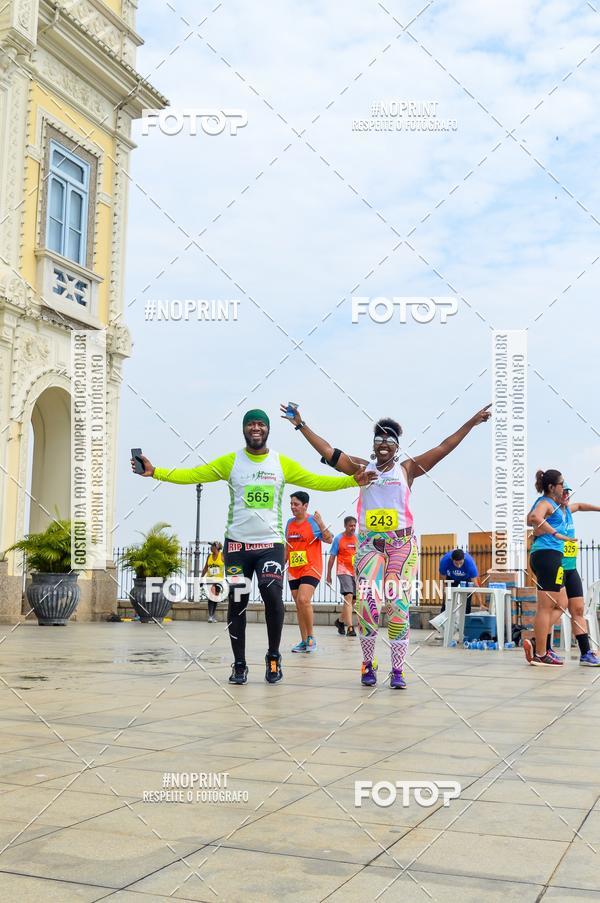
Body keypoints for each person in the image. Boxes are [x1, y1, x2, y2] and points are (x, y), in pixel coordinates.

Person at [131, 409, 362, 686]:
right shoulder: (232, 462)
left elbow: (317, 481)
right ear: (244, 430)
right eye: (251, 424)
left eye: (260, 424)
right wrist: (155, 472)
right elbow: (193, 474)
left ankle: (273, 656)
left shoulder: (280, 463)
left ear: (267, 430)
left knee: (273, 597)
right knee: (237, 603)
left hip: (270, 546)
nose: (256, 428)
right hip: (238, 546)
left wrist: (351, 480)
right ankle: (239, 664)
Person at [281, 401, 492, 689]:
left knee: (397, 606)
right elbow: (329, 452)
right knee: (367, 606)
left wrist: (472, 421)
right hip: (369, 546)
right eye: (378, 439)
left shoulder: (407, 470)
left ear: (397, 446)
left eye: (389, 440)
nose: (383, 444)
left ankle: (397, 670)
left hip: (401, 546)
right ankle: (368, 663)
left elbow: (444, 447)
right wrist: (301, 425)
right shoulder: (361, 467)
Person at [525, 469, 571, 666]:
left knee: (562, 603)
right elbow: (533, 518)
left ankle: (538, 640)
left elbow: (531, 519)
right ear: (552, 487)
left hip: (551, 557)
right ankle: (541, 654)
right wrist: (555, 534)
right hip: (547, 555)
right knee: (545, 607)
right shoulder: (545, 502)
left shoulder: (554, 504)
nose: (564, 486)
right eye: (562, 483)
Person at [285, 491, 332, 653]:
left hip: (311, 567)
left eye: (296, 504)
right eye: (291, 504)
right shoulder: (289, 523)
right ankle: (304, 641)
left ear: (305, 506)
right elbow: (287, 547)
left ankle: (311, 637)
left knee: (304, 599)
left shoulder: (313, 521)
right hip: (294, 569)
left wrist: (321, 524)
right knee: (299, 604)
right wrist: (279, 566)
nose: (293, 507)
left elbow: (329, 539)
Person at [560, 482, 600, 666]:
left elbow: (582, 506)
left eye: (569, 492)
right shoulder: (550, 513)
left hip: (571, 569)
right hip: (556, 569)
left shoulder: (569, 510)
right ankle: (539, 646)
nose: (567, 495)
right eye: (564, 492)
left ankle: (585, 653)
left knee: (577, 609)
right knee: (555, 609)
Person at [327, 516, 358, 637]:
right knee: (348, 596)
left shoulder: (357, 539)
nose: (353, 528)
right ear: (345, 526)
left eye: (354, 525)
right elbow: (331, 557)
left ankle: (340, 622)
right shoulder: (338, 539)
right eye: (350, 525)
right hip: (343, 570)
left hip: (355, 572)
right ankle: (350, 628)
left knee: (353, 600)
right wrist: (328, 574)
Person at [439, 548, 479, 615]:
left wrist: (481, 604)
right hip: (451, 577)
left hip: (466, 578)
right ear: (452, 560)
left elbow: (476, 585)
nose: (459, 565)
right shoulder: (445, 561)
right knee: (448, 598)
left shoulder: (470, 563)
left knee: (467, 598)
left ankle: (466, 617)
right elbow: (444, 582)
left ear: (464, 559)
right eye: (456, 563)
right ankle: (444, 615)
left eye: (461, 563)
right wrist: (446, 594)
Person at [201, 541, 224, 622]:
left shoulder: (222, 555)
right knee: (211, 597)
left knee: (215, 598)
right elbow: (205, 568)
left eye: (212, 546)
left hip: (219, 580)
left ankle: (212, 616)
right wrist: (201, 578)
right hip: (210, 579)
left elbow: (227, 565)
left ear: (217, 547)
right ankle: (210, 616)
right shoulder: (209, 556)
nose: (211, 548)